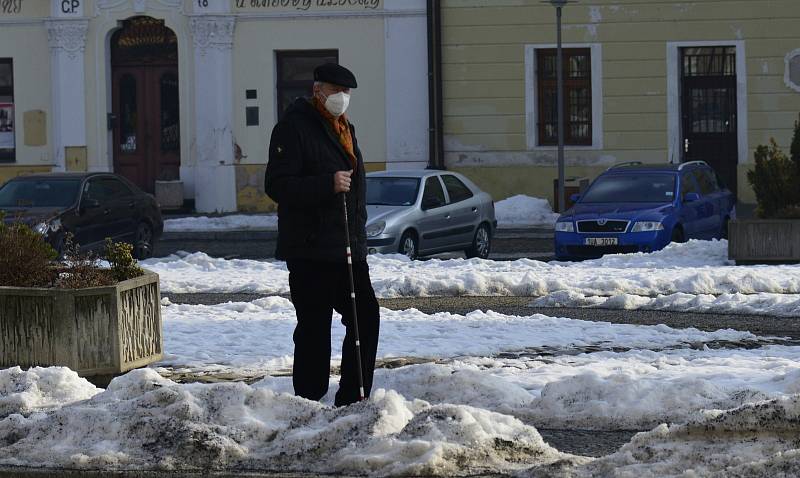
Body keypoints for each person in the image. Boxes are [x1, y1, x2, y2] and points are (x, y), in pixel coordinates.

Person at [265, 63, 380, 407]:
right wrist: (325, 184)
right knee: (315, 328)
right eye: (336, 91)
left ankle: (353, 398)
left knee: (365, 317)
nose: (342, 98)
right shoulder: (293, 127)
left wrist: (359, 239)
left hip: (347, 247)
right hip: (311, 248)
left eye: (347, 93)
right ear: (318, 91)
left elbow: (354, 190)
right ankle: (309, 402)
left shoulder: (345, 128)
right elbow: (277, 185)